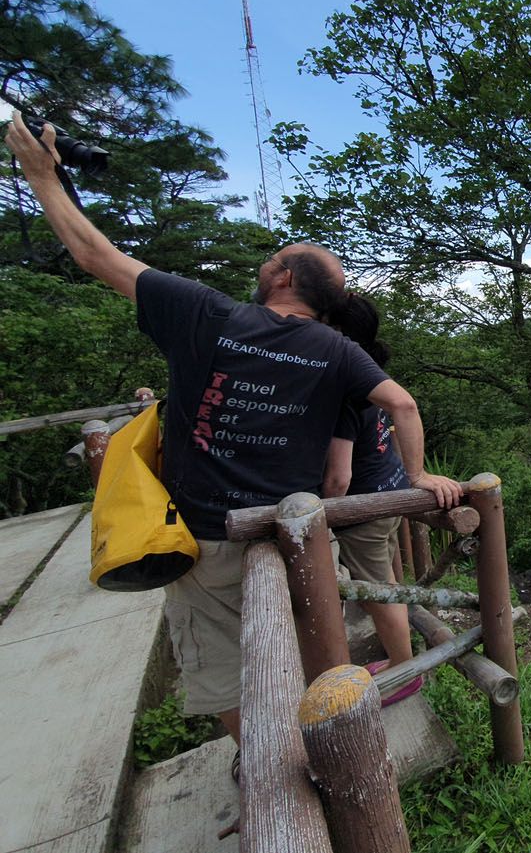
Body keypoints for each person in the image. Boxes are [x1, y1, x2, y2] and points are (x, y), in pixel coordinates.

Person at [4, 112, 462, 744]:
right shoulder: (337, 351)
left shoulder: (205, 314)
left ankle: (269, 770)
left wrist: (41, 177)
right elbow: (402, 404)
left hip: (209, 539)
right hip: (296, 532)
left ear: (283, 278)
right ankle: (324, 757)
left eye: (273, 259)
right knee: (314, 650)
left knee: (223, 671)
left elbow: (93, 254)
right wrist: (417, 475)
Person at [322, 291, 422, 704]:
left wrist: (324, 513)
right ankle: (403, 658)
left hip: (363, 510)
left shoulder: (343, 391)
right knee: (387, 584)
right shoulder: (372, 378)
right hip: (391, 493)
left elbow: (339, 478)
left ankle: (405, 669)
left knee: (378, 592)